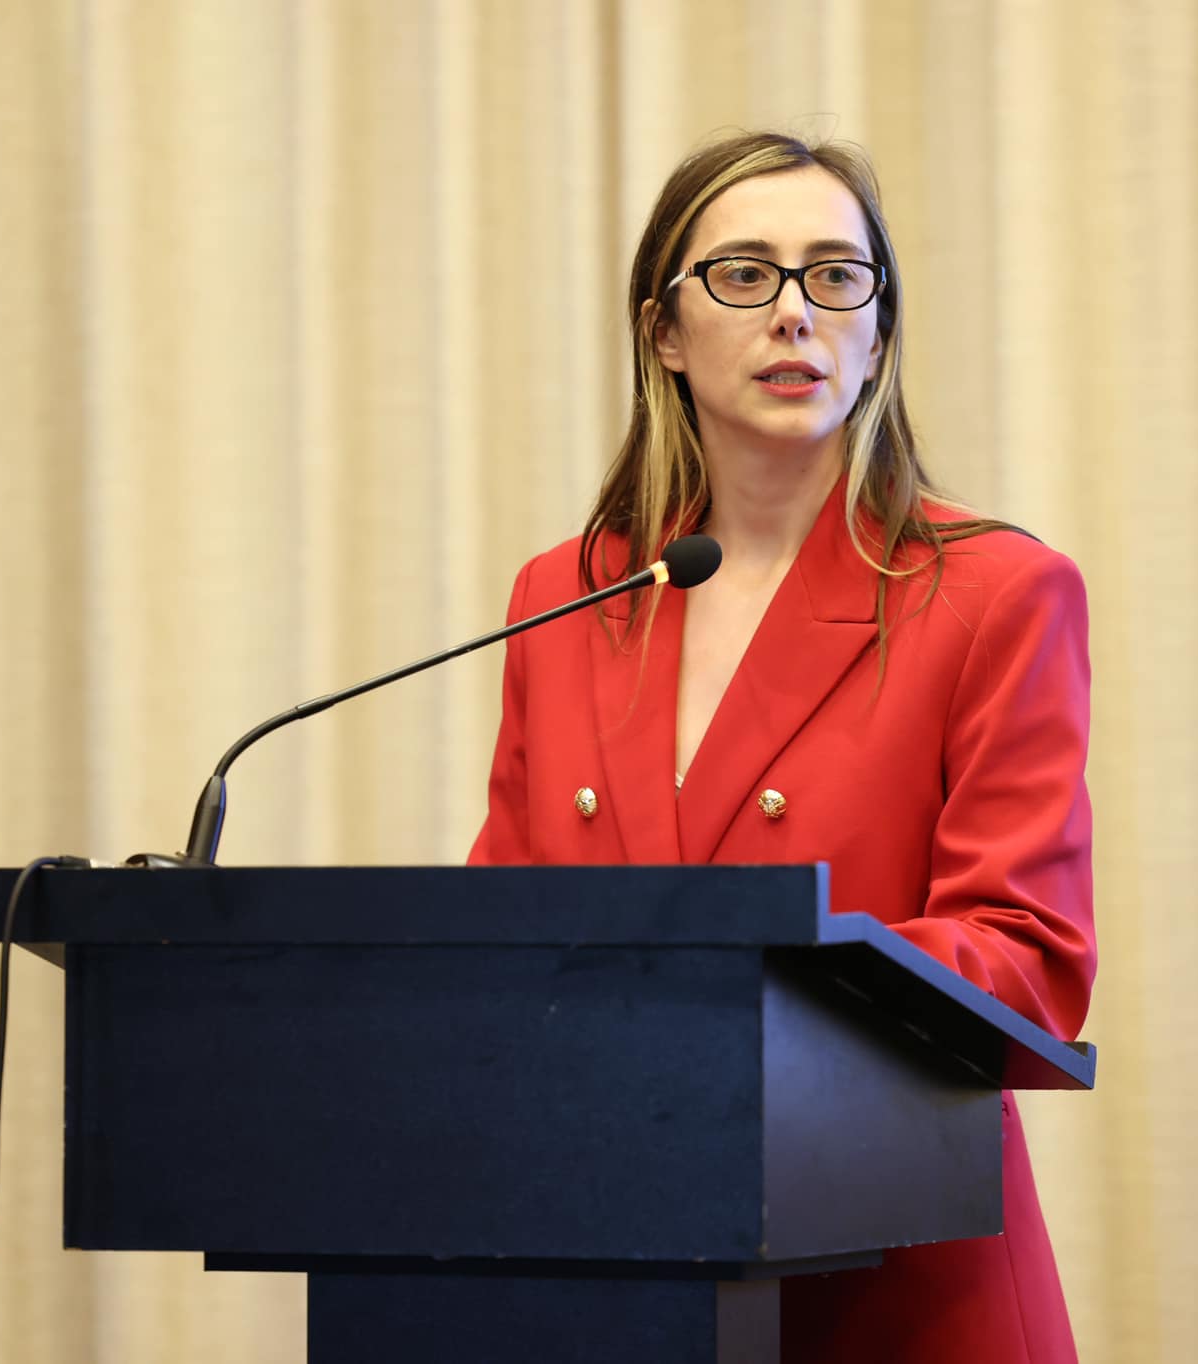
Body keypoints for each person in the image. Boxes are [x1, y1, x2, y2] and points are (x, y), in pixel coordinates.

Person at [468, 130, 1096, 1363]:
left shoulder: (992, 594)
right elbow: (501, 928)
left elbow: (1026, 957)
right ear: (663, 330)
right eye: (745, 274)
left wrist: (753, 984)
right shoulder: (570, 594)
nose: (794, 313)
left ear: (877, 330)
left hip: (900, 1276)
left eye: (835, 276)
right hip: (622, 1269)